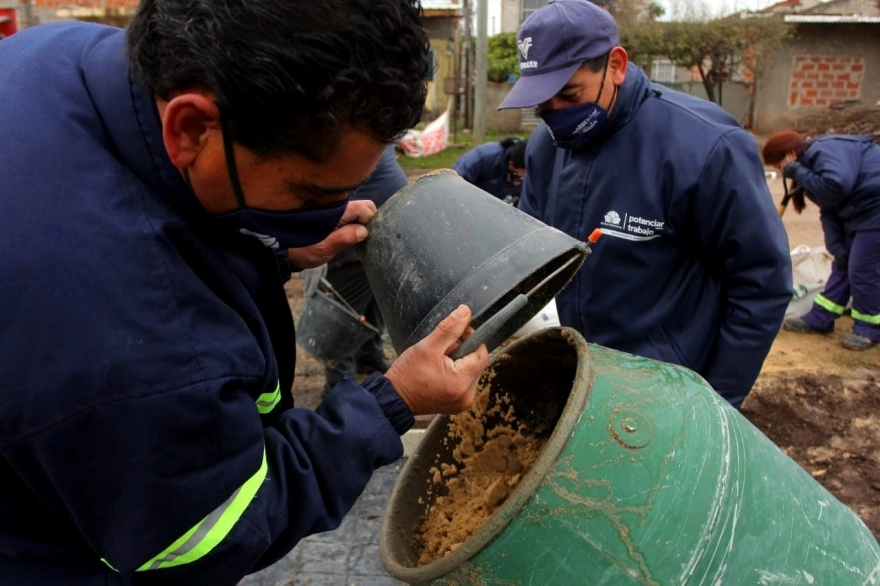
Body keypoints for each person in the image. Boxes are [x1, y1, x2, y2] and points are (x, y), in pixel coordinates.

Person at [0, 1, 490, 584]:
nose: (331, 213)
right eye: (311, 195)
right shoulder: (133, 335)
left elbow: (152, 215)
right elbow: (205, 534)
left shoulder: (62, 60)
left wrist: (270, 250)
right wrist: (392, 402)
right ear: (190, 127)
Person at [498, 0, 792, 408]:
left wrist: (719, 403)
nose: (555, 114)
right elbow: (533, 252)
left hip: (673, 388)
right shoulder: (546, 147)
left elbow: (763, 282)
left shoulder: (704, 147)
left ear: (615, 65)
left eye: (568, 94)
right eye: (542, 103)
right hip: (589, 376)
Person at [302, 145, 407, 394]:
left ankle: (369, 355)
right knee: (341, 312)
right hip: (346, 242)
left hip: (384, 234)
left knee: (374, 301)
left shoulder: (375, 129)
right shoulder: (336, 133)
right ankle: (340, 386)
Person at [762, 130, 880, 351]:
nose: (784, 172)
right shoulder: (810, 171)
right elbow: (829, 210)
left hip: (874, 209)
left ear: (790, 154)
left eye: (781, 166)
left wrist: (800, 173)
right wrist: (836, 247)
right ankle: (821, 318)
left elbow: (837, 185)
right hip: (859, 213)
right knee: (844, 263)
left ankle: (869, 329)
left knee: (862, 269)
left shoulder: (824, 150)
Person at [452, 136, 528, 204]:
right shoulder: (483, 157)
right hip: (469, 200)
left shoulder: (531, 170)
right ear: (511, 165)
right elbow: (455, 182)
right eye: (525, 171)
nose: (529, 175)